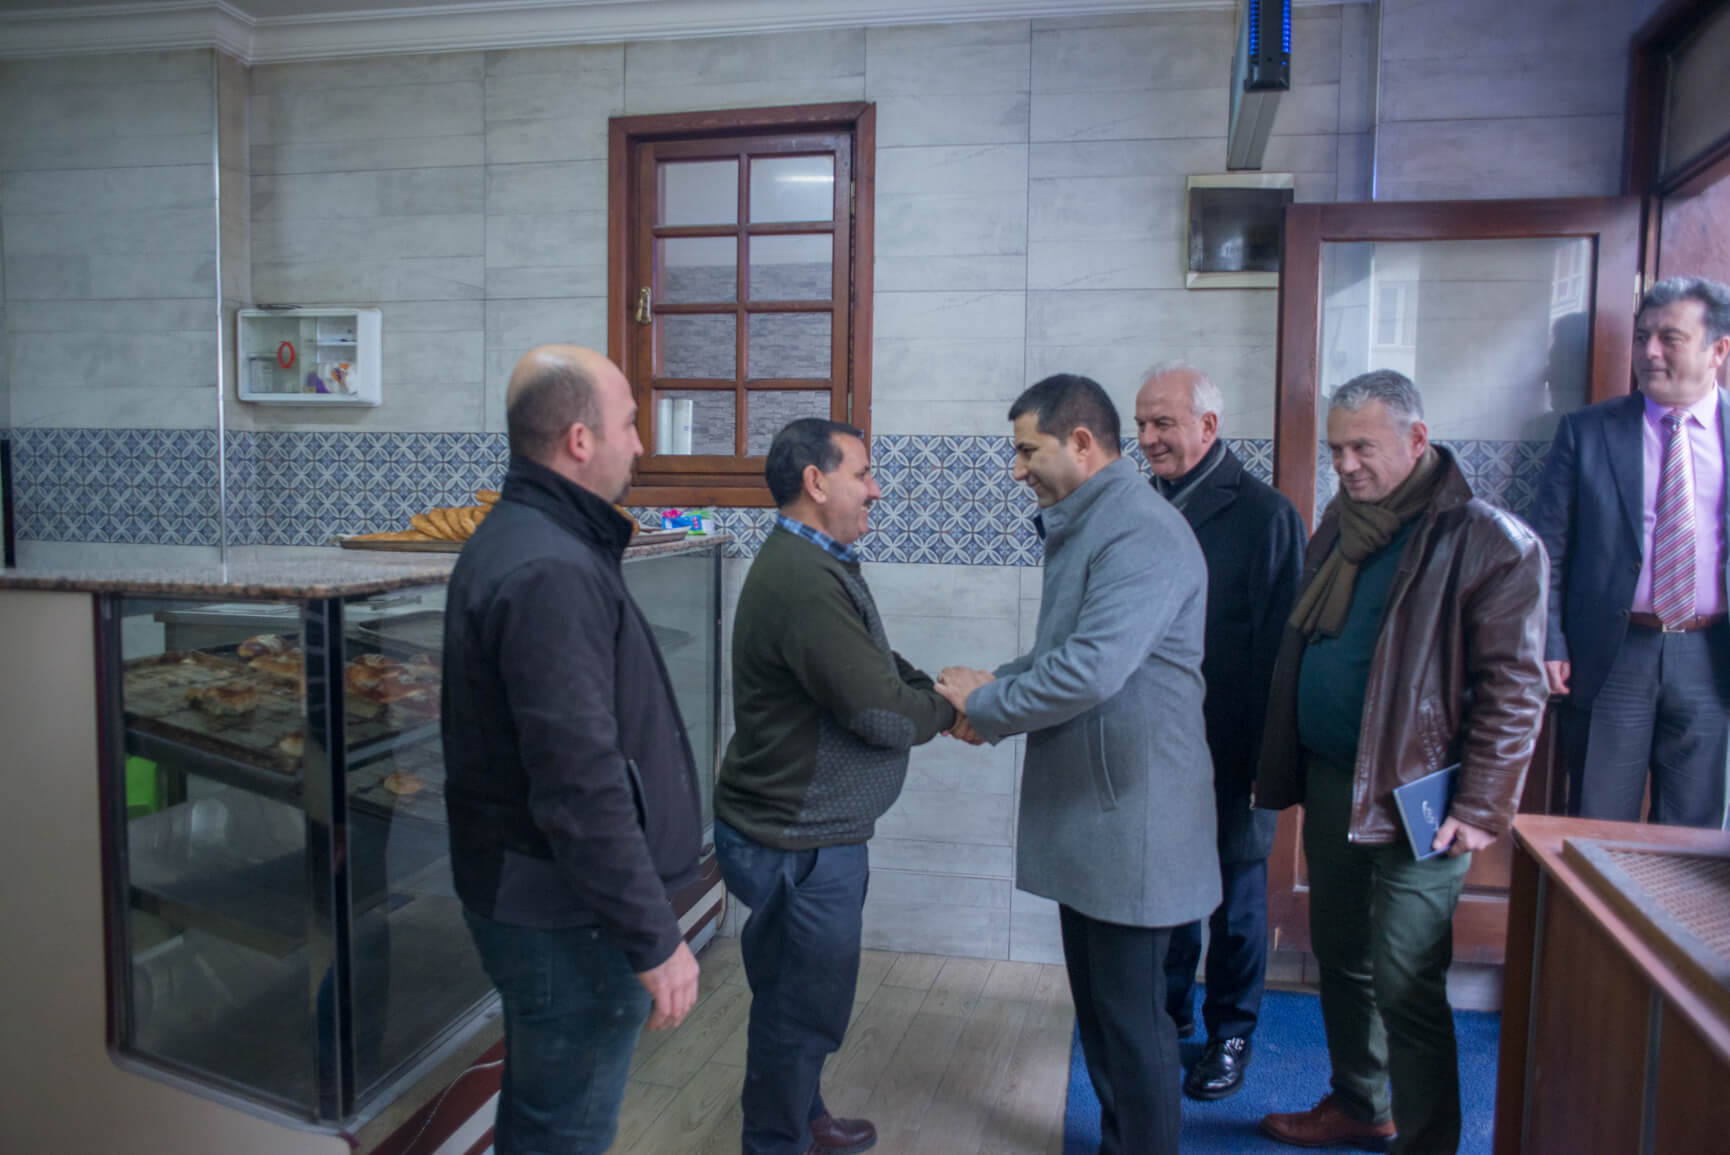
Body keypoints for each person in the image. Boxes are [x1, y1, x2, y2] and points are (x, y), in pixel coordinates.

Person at [1255, 370, 1548, 1153]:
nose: (1345, 464)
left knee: (1406, 973)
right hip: (1333, 777)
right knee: (1341, 952)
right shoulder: (1341, 523)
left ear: (1418, 440)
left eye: (1362, 447)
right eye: (1335, 449)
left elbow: (1515, 689)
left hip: (1424, 797)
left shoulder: (1487, 540)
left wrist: (1481, 806)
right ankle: (1362, 1102)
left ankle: (1427, 1140)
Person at [938, 374, 1220, 1155]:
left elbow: (1089, 671)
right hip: (1101, 816)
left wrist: (987, 706)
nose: (1017, 469)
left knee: (1133, 1027)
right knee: (1102, 1019)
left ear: (1083, 443)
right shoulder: (1096, 520)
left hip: (1135, 819)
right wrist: (993, 687)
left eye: (1028, 450)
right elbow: (1062, 651)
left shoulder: (1139, 532)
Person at [441, 344, 703, 1155]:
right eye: (629, 424)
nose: (640, 444)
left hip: (555, 905)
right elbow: (579, 781)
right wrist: (653, 936)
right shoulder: (548, 566)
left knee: (543, 1122)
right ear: (580, 440)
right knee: (564, 1135)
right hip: (568, 917)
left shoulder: (539, 539)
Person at [715, 417, 959, 1155]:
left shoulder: (815, 562)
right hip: (798, 839)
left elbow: (873, 662)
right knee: (799, 1011)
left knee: (796, 999)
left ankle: (802, 1116)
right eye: (863, 473)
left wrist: (935, 690)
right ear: (816, 482)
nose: (876, 489)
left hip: (804, 833)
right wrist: (952, 710)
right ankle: (777, 1141)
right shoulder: (802, 579)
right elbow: (881, 714)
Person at [1134, 362, 1305, 1100]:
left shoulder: (1266, 515)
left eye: (1163, 423)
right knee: (1167, 892)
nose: (1149, 438)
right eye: (1141, 424)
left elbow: (1285, 649)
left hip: (1237, 746)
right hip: (1157, 743)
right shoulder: (1140, 506)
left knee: (1235, 903)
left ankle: (1231, 1033)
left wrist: (1274, 756)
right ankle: (1167, 1017)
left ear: (1208, 426)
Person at [1528, 276, 1730, 828]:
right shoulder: (1588, 431)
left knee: (1693, 837)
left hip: (1712, 657)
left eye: (1670, 338)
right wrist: (1550, 641)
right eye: (1643, 337)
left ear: (1718, 350)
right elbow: (1546, 550)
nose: (1649, 352)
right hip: (1612, 654)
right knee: (1597, 825)